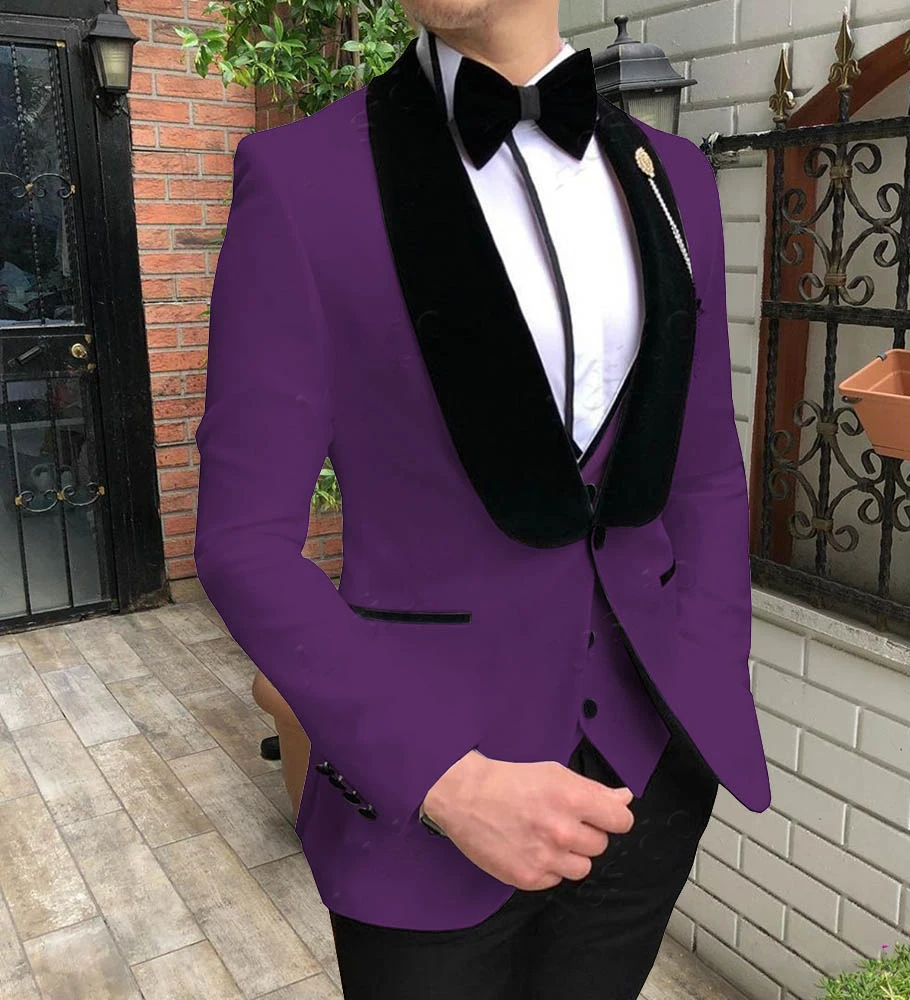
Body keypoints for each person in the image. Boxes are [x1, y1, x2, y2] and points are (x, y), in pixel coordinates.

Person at [193, 0, 772, 996]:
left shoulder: (674, 176)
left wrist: (707, 682)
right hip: (424, 808)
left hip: (650, 782)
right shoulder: (301, 179)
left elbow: (705, 474)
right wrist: (442, 780)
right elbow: (243, 541)